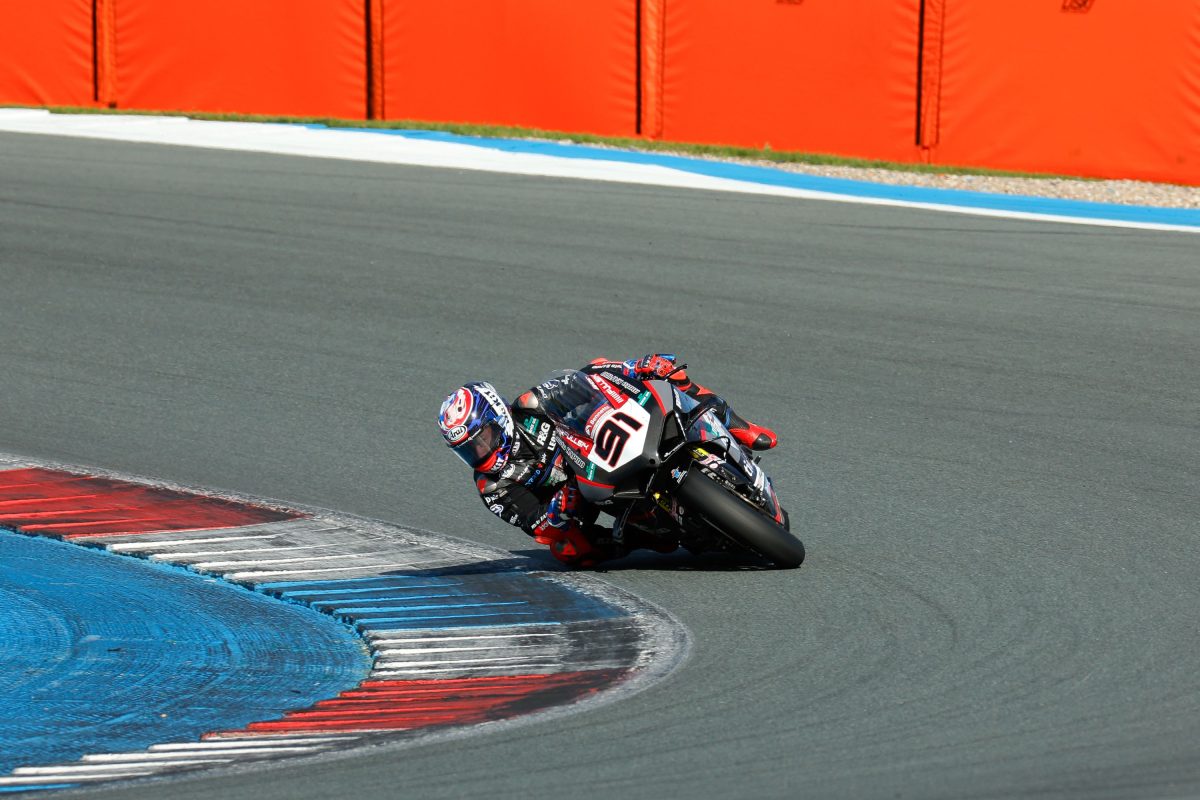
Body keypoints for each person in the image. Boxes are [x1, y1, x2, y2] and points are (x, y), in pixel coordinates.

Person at [437, 354, 777, 568]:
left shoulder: (531, 405)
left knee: (662, 374)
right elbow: (536, 525)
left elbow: (591, 378)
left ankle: (740, 427)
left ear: (499, 417)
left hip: (607, 443)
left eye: (482, 440)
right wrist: (560, 507)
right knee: (568, 550)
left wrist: (636, 368)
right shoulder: (492, 485)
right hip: (582, 496)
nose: (479, 452)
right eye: (469, 450)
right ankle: (637, 540)